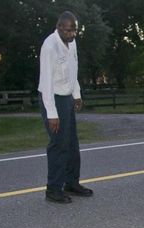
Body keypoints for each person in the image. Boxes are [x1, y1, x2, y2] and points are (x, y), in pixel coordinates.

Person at [38, 11, 93, 204]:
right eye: (68, 30)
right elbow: (46, 83)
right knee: (59, 145)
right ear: (59, 26)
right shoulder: (49, 46)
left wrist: (76, 94)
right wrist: (52, 114)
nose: (72, 34)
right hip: (53, 99)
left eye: (74, 30)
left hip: (67, 97)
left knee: (72, 145)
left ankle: (71, 183)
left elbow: (73, 70)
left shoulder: (72, 43)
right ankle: (53, 189)